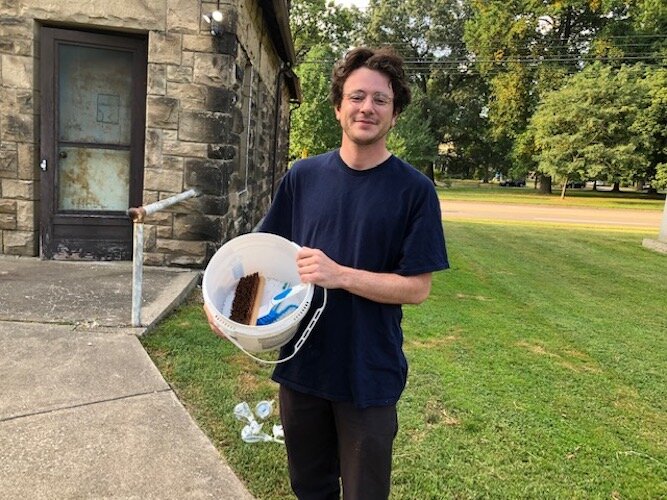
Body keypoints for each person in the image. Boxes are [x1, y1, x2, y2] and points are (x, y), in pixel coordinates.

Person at [206, 46, 449, 499]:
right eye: (357, 96)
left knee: (364, 493)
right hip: (302, 366)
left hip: (368, 372)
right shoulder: (304, 176)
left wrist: (340, 275)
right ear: (338, 106)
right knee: (309, 487)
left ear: (395, 114)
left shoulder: (414, 191)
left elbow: (417, 288)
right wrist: (219, 304)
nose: (367, 108)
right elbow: (256, 255)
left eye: (381, 99)